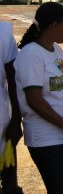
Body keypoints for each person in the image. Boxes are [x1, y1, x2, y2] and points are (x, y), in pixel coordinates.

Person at [14, 2, 63, 194]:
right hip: (48, 138)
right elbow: (34, 100)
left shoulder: (55, 50)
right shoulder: (31, 54)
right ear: (54, 25)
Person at [0, 22, 22, 194]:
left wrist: (16, 119)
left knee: (8, 182)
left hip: (1, 123)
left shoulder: (3, 33)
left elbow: (13, 78)